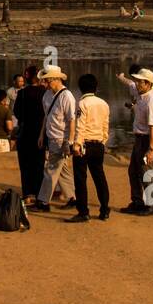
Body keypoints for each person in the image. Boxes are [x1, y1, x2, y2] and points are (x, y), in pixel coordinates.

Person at [33, 65, 77, 213]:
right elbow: (46, 116)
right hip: (51, 137)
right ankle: (72, 198)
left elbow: (72, 120)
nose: (44, 84)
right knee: (62, 170)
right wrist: (41, 134)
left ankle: (43, 201)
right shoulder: (47, 96)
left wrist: (69, 142)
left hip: (61, 139)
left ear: (55, 79)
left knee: (51, 170)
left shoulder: (67, 96)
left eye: (47, 81)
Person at [67, 73, 110, 222]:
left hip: (84, 144)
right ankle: (104, 209)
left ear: (80, 88)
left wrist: (76, 145)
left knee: (80, 179)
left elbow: (80, 126)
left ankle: (83, 211)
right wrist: (103, 141)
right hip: (98, 144)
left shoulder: (82, 104)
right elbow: (106, 125)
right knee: (100, 177)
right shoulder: (104, 103)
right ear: (96, 87)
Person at [122, 69, 153, 216]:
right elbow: (130, 84)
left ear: (148, 84)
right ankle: (137, 202)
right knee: (133, 171)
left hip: (148, 140)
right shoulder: (141, 94)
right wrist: (121, 78)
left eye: (140, 81)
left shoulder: (151, 101)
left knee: (146, 172)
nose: (137, 83)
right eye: (137, 81)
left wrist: (151, 149)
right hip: (140, 138)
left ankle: (152, 205)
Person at [13, 64, 47, 200]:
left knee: (25, 165)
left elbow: (17, 113)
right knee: (39, 164)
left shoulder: (21, 94)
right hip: (40, 132)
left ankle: (27, 193)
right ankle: (39, 193)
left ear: (26, 77)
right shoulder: (45, 93)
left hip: (25, 132)